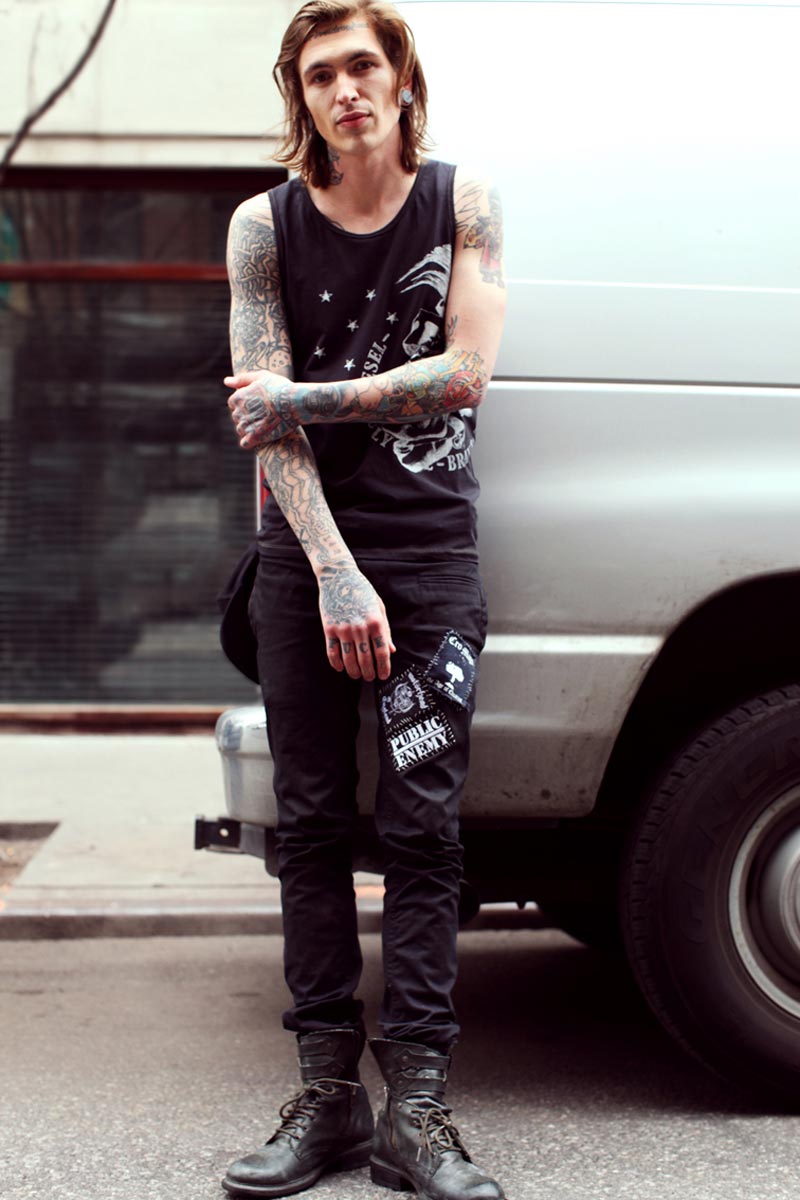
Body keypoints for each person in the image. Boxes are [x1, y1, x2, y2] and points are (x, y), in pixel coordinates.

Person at [222, 2, 506, 1196]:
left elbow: (465, 373)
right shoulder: (262, 226)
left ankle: (417, 1110)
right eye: (318, 74)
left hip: (430, 553)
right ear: (300, 94)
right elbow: (260, 423)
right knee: (309, 823)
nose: (343, 90)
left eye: (360, 66)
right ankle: (330, 1099)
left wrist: (305, 398)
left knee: (423, 827)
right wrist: (335, 570)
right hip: (303, 556)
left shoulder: (460, 202)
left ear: (399, 79)